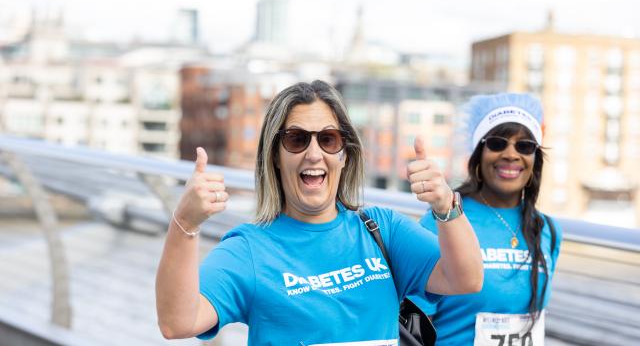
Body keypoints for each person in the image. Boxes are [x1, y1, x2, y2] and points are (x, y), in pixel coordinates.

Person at [155, 80, 483, 345]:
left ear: (345, 154)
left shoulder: (383, 230)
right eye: (296, 140)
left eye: (328, 139)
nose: (314, 153)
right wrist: (184, 224)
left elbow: (466, 279)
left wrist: (445, 207)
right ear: (275, 157)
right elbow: (177, 323)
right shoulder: (249, 250)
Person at [411, 93, 562, 345]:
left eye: (525, 145)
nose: (511, 154)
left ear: (535, 158)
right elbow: (414, 324)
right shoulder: (443, 222)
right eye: (497, 143)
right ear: (479, 152)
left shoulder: (546, 229)